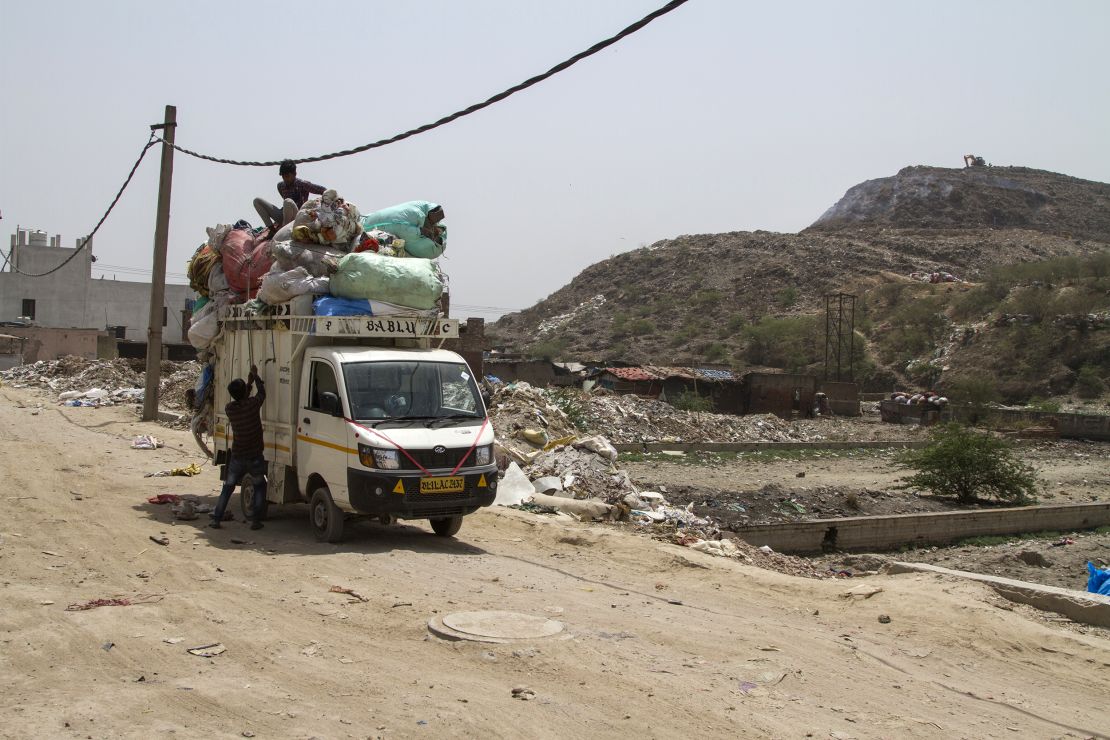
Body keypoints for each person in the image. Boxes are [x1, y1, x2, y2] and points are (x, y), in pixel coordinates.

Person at [210, 365, 268, 530]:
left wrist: (248, 384)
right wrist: (256, 377)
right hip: (255, 455)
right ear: (244, 392)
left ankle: (216, 518)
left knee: (228, 487)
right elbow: (262, 393)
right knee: (259, 485)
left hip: (237, 456)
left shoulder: (230, 409)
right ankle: (255, 520)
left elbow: (246, 397)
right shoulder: (252, 405)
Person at [252, 160, 326, 232]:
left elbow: (323, 190)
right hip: (284, 216)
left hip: (298, 217)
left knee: (288, 201)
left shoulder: (302, 184)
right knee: (257, 201)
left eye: (287, 176)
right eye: (283, 177)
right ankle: (272, 230)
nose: (285, 179)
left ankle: (283, 230)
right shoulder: (280, 186)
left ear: (294, 174)